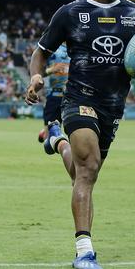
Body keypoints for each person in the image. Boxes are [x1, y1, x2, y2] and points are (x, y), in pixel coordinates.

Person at [25, 0, 135, 269]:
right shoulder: (71, 13)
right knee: (88, 169)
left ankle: (58, 143)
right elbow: (40, 53)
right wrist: (36, 77)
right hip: (78, 99)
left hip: (113, 106)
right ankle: (84, 252)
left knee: (82, 173)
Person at [38, 43, 75, 181]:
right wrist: (51, 69)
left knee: (74, 133)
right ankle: (48, 134)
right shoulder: (52, 48)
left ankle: (51, 134)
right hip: (54, 96)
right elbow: (37, 72)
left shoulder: (77, 46)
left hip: (72, 97)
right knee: (49, 145)